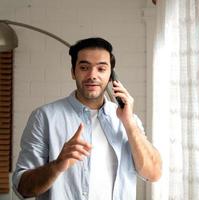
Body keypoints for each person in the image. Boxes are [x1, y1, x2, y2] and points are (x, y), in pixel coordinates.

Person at [12, 37, 162, 200]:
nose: (92, 75)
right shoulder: (44, 117)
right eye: (84, 67)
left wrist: (129, 123)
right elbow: (22, 188)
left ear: (111, 75)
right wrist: (57, 166)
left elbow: (153, 174)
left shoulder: (127, 119)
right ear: (73, 72)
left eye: (101, 69)